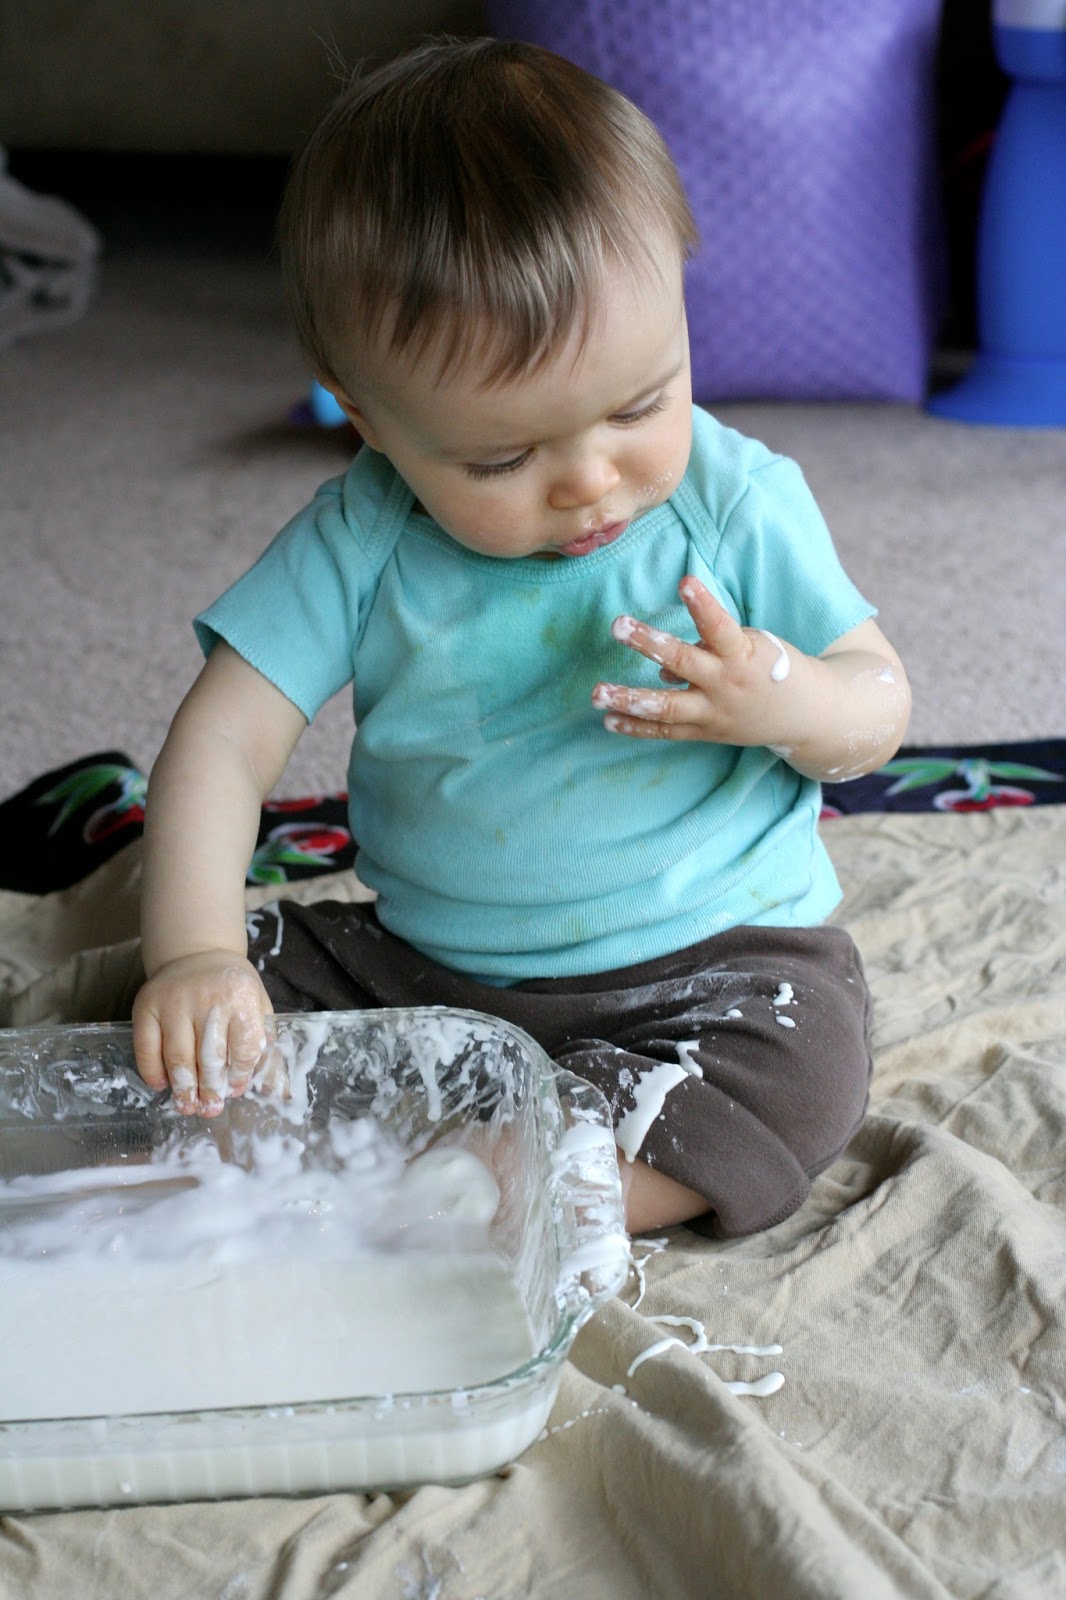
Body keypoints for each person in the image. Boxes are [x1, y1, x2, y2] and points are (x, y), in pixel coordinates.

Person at [132, 36, 911, 1237]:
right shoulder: (363, 537)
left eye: (640, 403)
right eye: (501, 458)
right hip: (423, 973)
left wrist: (791, 699)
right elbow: (221, 744)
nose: (591, 480)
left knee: (802, 1065)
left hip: (710, 963)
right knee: (190, 1009)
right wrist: (192, 956)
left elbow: (877, 703)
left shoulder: (732, 504)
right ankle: (406, 1137)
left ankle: (553, 1174)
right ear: (369, 420)